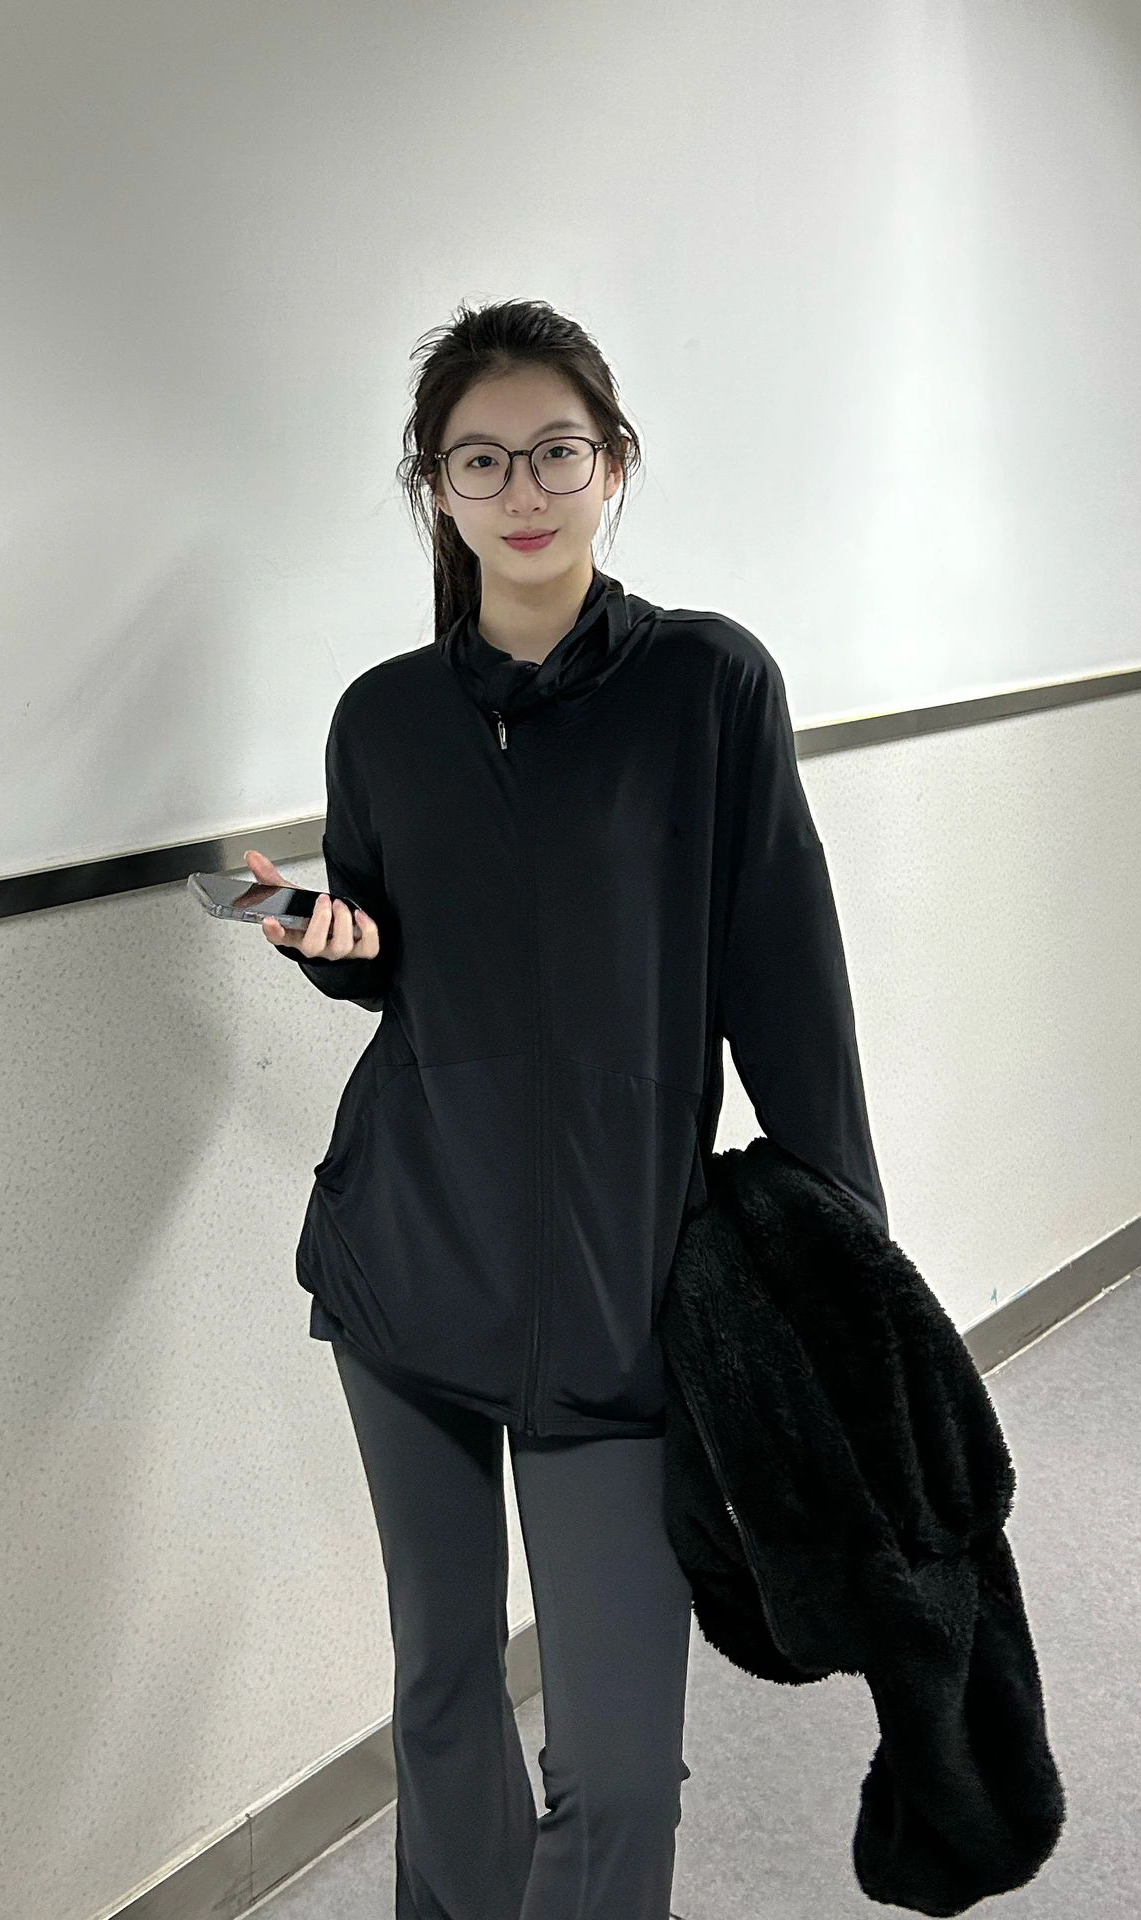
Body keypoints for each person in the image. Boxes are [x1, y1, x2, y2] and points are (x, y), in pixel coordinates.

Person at [248, 297, 887, 1919]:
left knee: (617, 1769)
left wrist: (846, 1270)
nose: (522, 488)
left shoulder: (708, 685)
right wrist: (332, 945)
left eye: (556, 451)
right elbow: (404, 964)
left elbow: (790, 989)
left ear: (614, 465)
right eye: (480, 460)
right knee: (443, 1691)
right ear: (436, 489)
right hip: (408, 1261)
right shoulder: (383, 716)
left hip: (619, 1286)